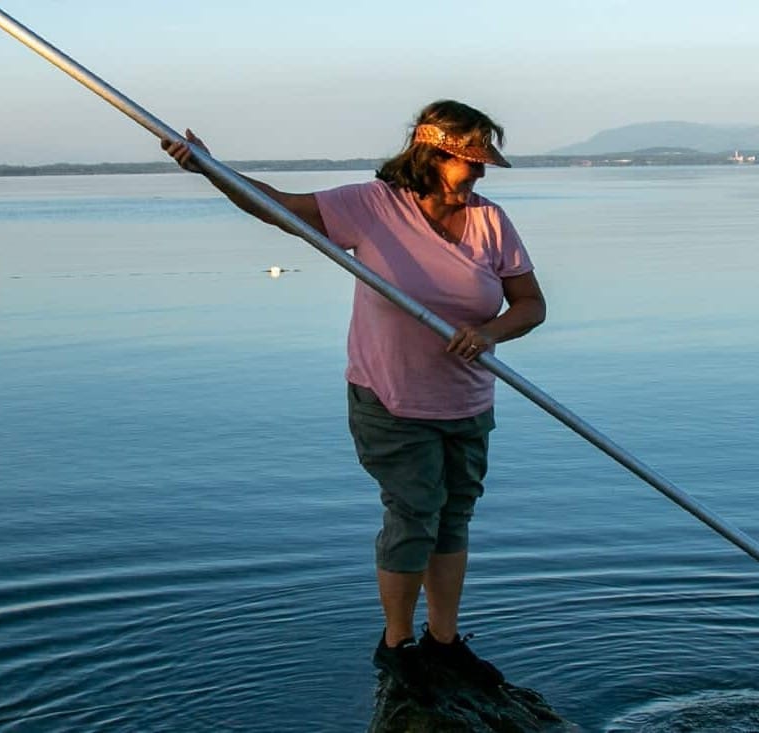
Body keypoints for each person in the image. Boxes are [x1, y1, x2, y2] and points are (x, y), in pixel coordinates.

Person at [163, 100, 546, 695]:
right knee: (415, 513)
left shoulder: (490, 220)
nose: (480, 174)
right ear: (432, 156)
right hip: (391, 399)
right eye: (469, 163)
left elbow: (531, 305)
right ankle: (397, 645)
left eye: (482, 163)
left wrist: (490, 332)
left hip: (467, 402)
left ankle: (444, 644)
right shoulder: (372, 207)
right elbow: (279, 211)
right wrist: (212, 169)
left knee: (453, 518)